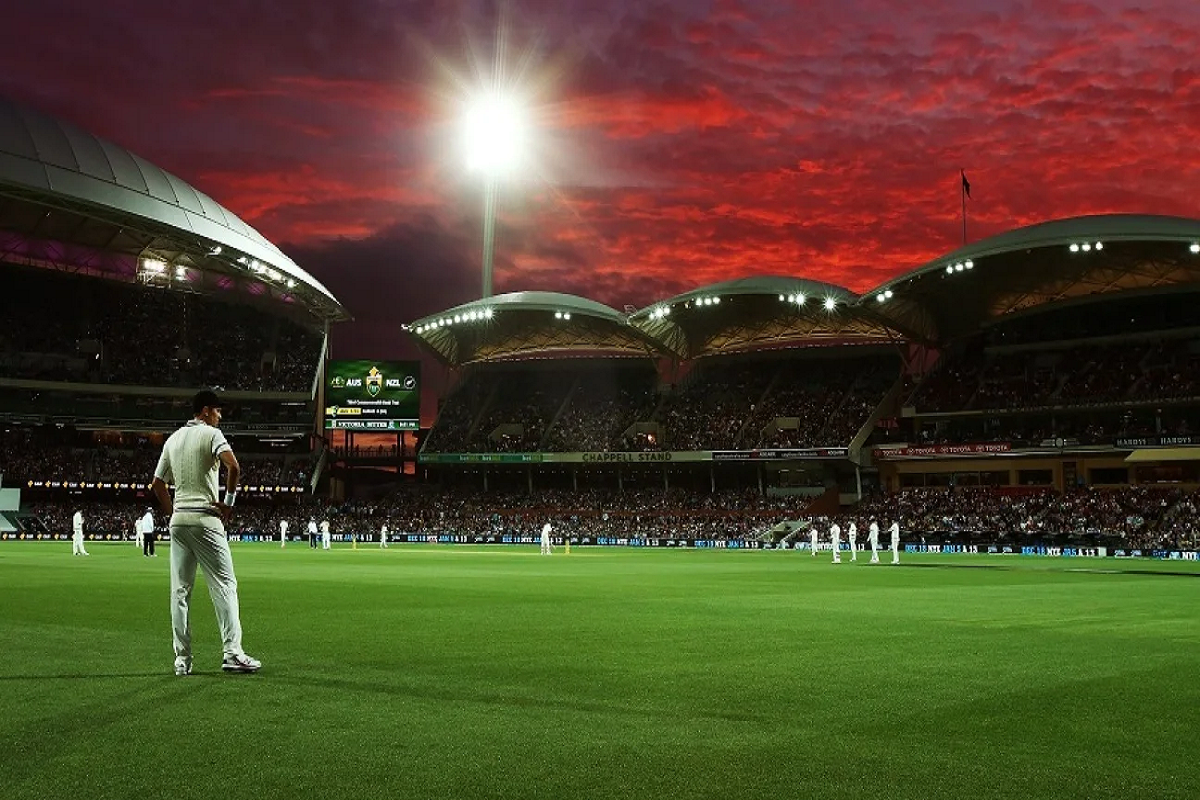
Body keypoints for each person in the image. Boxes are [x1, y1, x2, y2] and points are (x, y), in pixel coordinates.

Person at [151, 389, 260, 676]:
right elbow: (233, 466)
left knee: (179, 592)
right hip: (205, 518)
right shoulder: (212, 435)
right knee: (224, 584)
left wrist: (172, 510)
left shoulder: (173, 439)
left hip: (179, 520)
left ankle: (182, 661)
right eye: (218, 411)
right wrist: (228, 504)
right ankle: (232, 652)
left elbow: (157, 484)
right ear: (206, 411)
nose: (220, 416)